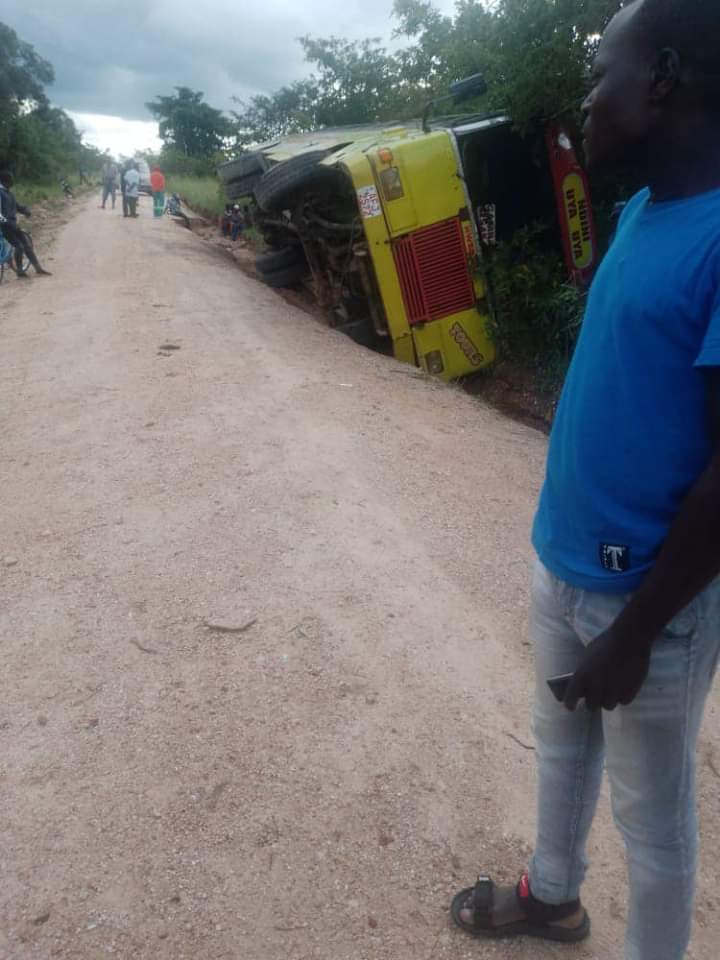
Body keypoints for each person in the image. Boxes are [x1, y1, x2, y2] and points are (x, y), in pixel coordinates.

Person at [451, 2, 720, 959]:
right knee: (560, 752)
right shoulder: (644, 209)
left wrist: (639, 632)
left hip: (651, 604)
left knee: (654, 825)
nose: (588, 94)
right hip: (562, 560)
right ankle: (552, 898)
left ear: (665, 78)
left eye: (604, 71)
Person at [0, 170, 52, 277]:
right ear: (5, 181)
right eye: (11, 179)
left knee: (27, 245)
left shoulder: (10, 193)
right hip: (5, 226)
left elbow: (17, 206)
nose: (12, 181)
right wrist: (6, 222)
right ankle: (20, 272)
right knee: (19, 246)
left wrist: (25, 210)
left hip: (12, 225)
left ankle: (38, 268)